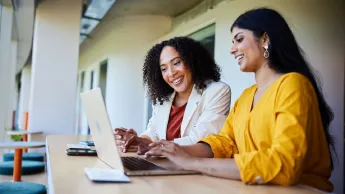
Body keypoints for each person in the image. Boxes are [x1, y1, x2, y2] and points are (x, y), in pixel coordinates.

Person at [146, 8, 335, 192]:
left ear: (265, 40)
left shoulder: (293, 84)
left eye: (239, 39)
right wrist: (171, 150)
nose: (232, 49)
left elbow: (285, 163)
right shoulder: (246, 96)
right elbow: (223, 144)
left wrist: (192, 163)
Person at [115, 37, 231, 154]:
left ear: (193, 61)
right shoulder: (164, 98)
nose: (171, 73)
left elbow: (200, 141)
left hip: (194, 168)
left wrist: (152, 146)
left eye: (176, 63)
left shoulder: (217, 91)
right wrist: (138, 141)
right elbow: (153, 132)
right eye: (164, 69)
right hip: (162, 164)